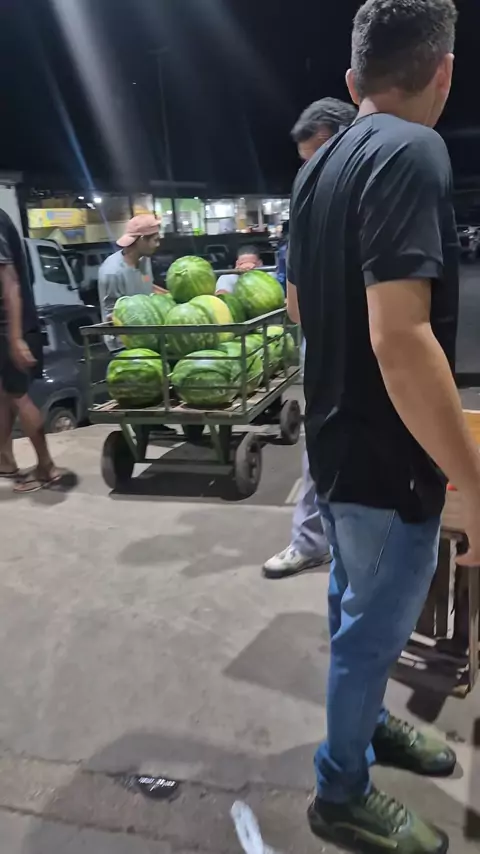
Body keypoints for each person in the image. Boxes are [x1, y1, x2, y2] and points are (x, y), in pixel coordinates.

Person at [289, 1, 469, 851]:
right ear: (444, 72)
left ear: (354, 78)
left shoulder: (318, 168)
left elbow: (303, 309)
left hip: (333, 445)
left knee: (351, 608)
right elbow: (401, 339)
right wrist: (474, 480)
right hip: (386, 461)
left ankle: (366, 730)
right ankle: (341, 791)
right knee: (372, 634)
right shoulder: (412, 150)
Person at [263, 98, 357, 580]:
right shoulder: (308, 205)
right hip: (324, 343)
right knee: (320, 444)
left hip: (367, 342)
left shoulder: (373, 189)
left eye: (319, 157)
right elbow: (295, 306)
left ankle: (351, 545)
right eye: (306, 163)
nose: (312, 172)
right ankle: (313, 542)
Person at [0, 209, 64, 493]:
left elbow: (10, 282)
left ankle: (46, 467)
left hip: (9, 327)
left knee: (18, 396)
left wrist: (15, 338)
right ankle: (4, 461)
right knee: (4, 395)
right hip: (9, 327)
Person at [98, 213, 166, 344]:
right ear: (141, 239)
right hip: (124, 343)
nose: (158, 244)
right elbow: (111, 316)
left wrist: (172, 297)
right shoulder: (112, 273)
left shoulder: (144, 260)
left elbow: (147, 286)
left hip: (148, 335)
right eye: (155, 240)